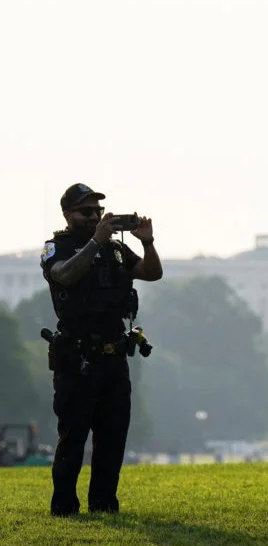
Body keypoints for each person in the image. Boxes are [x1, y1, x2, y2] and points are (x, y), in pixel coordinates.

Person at [40, 183, 163, 516]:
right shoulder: (59, 247)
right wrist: (96, 241)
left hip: (113, 358)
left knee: (112, 437)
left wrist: (147, 242)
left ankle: (104, 505)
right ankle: (64, 507)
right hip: (77, 358)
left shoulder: (116, 251)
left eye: (97, 211)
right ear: (68, 215)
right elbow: (63, 276)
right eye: (86, 212)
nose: (94, 216)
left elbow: (152, 273)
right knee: (73, 437)